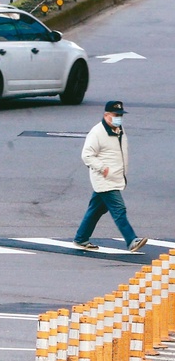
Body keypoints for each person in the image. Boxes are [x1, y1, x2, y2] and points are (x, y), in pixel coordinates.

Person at [73, 101, 147, 252]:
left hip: (115, 177)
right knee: (118, 209)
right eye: (116, 115)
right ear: (106, 115)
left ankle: (81, 238)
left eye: (120, 115)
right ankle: (131, 240)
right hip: (104, 179)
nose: (119, 118)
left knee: (96, 210)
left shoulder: (119, 129)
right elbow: (87, 155)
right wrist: (102, 168)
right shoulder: (97, 132)